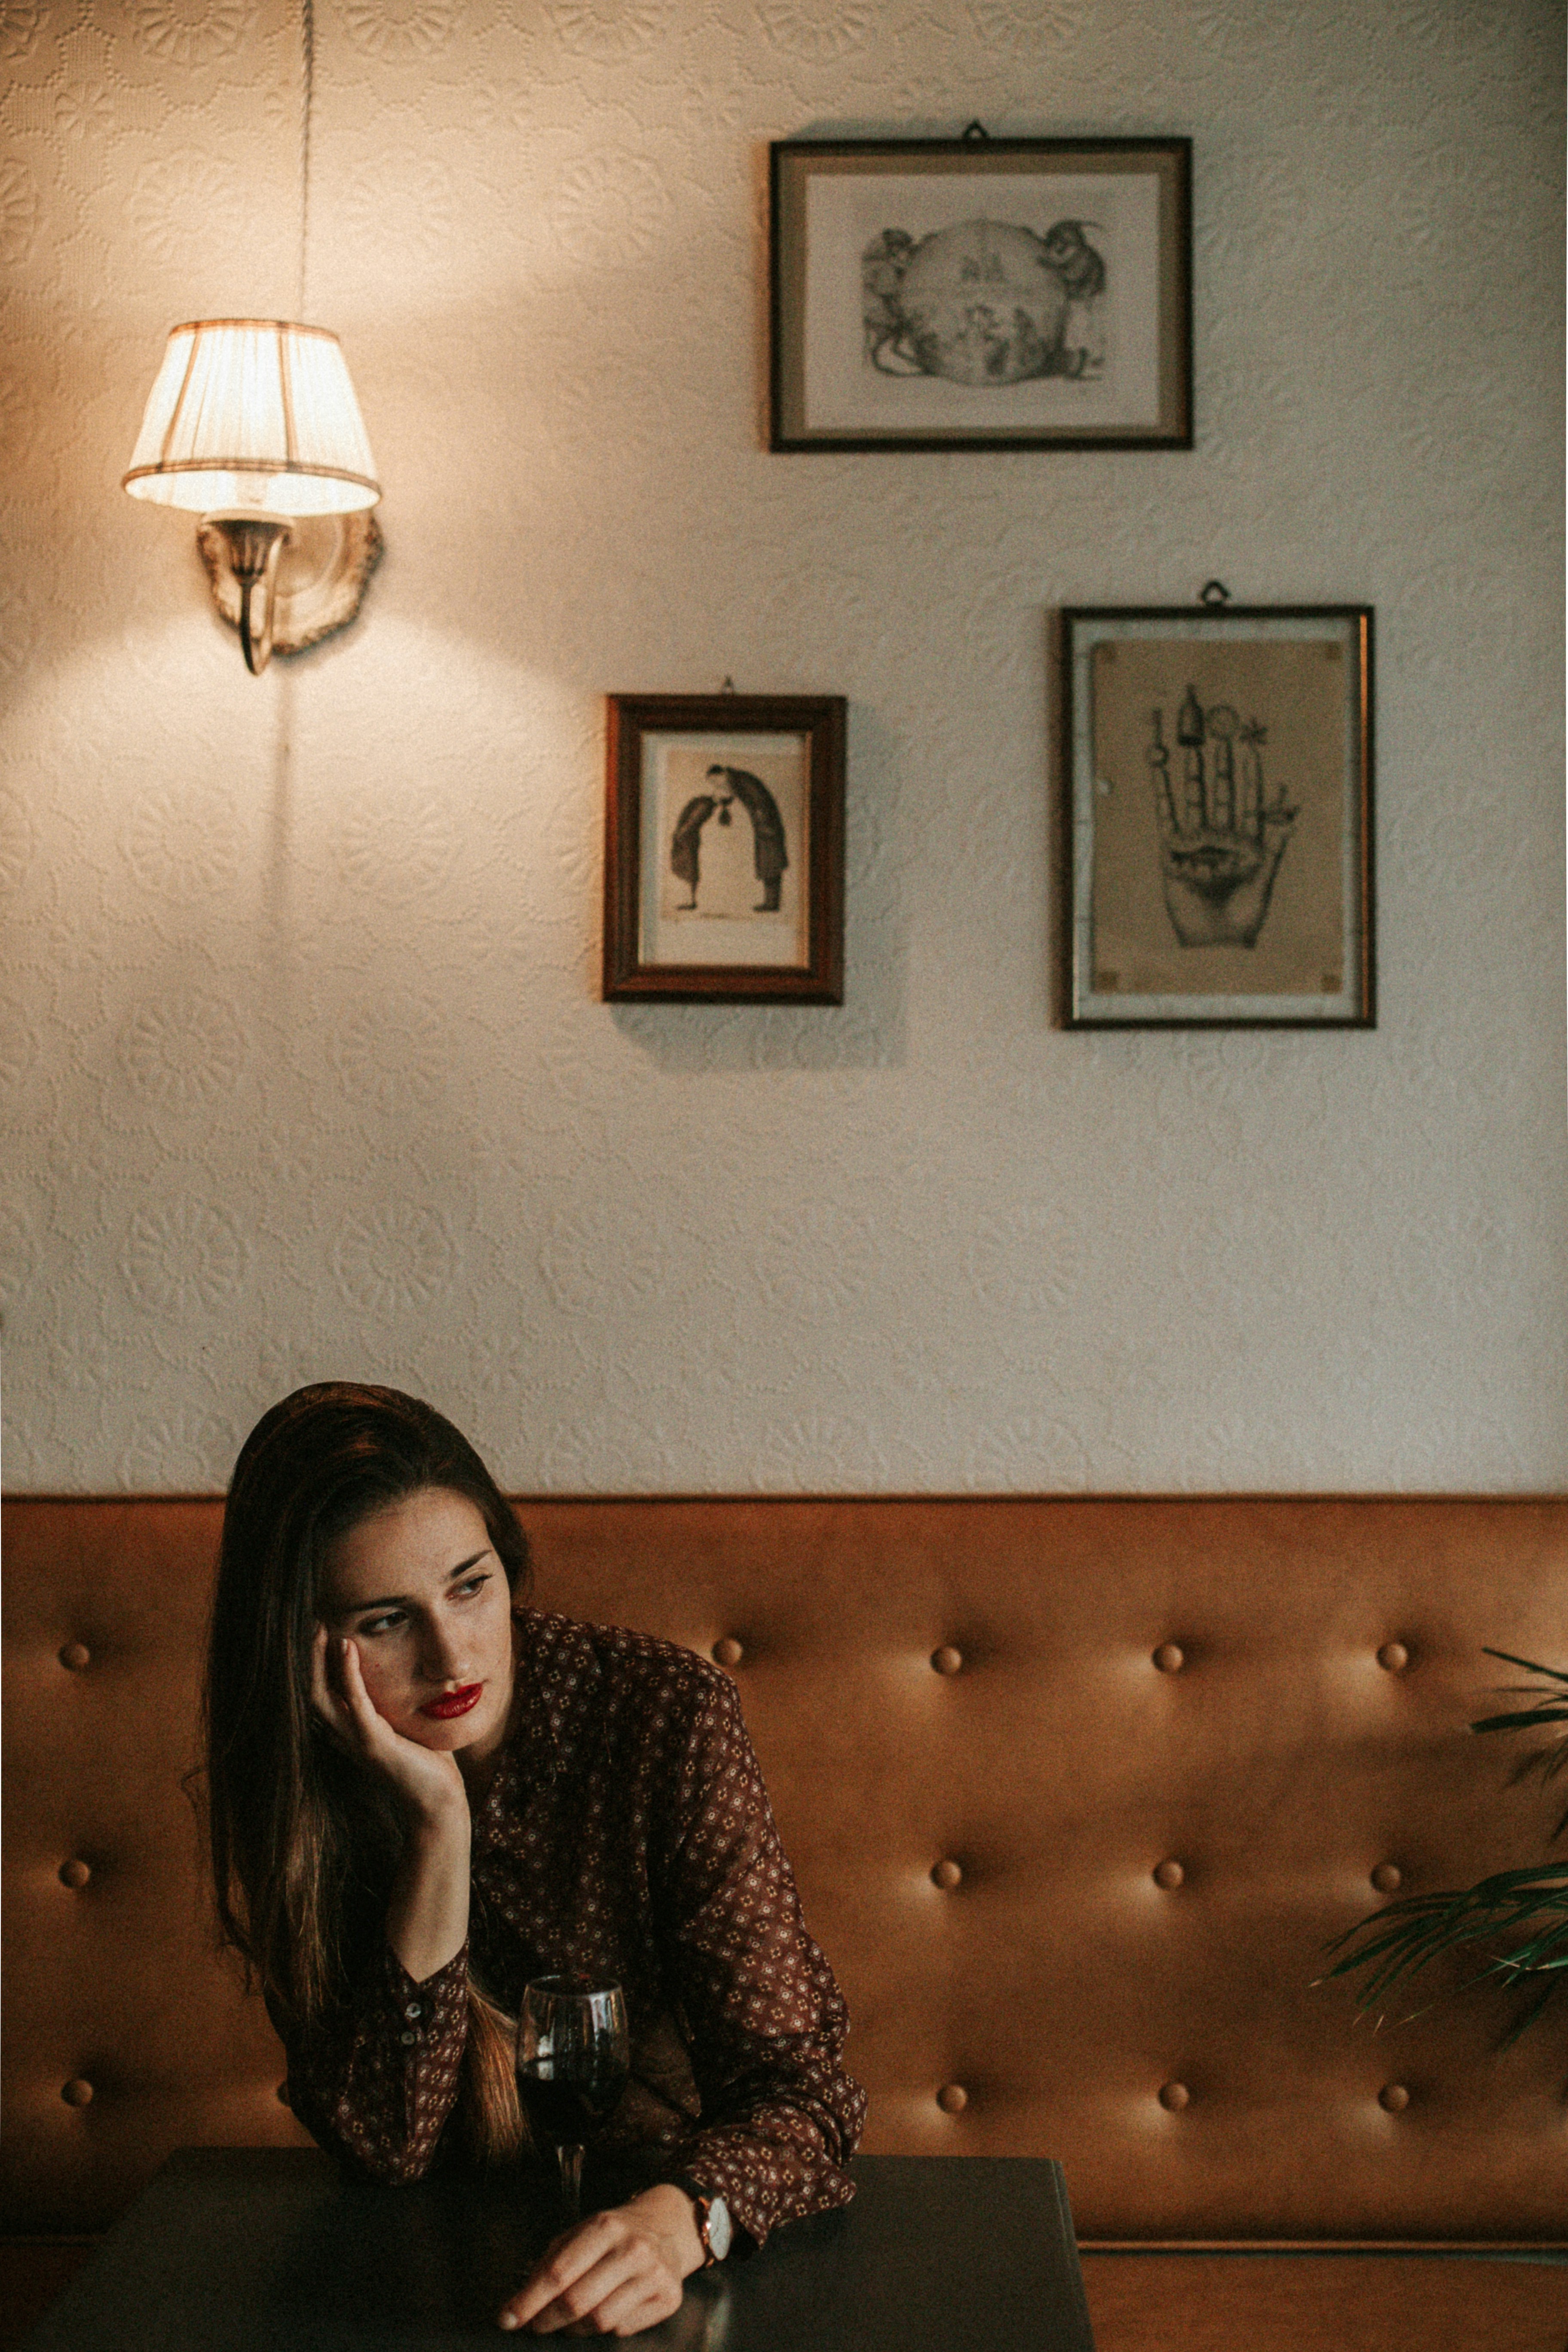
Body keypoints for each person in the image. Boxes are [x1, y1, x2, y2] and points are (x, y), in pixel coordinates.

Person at [205, 1384, 865, 2337]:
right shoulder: (309, 1786)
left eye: (470, 1587)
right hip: (433, 2288)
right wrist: (439, 1828)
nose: (450, 1654)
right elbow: (385, 2146)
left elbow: (801, 2088)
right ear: (303, 1650)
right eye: (384, 1620)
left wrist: (682, 2224)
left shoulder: (660, 1716)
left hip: (675, 2271)